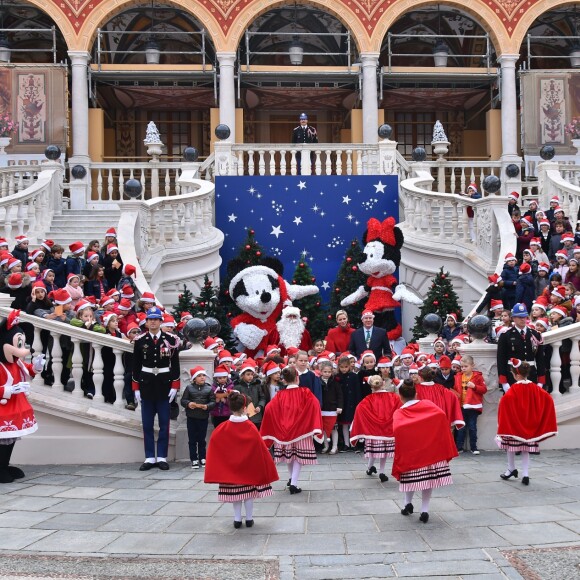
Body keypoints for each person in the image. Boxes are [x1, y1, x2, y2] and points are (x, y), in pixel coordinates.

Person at [204, 391, 279, 529]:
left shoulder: (222, 428)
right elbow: (260, 448)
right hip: (248, 470)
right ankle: (249, 519)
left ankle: (237, 519)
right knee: (249, 495)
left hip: (231, 471)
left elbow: (215, 446)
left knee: (235, 495)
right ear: (245, 408)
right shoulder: (250, 427)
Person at [392, 380, 458, 524]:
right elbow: (441, 415)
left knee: (410, 479)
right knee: (427, 482)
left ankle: (407, 504)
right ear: (416, 394)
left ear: (400, 396)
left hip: (412, 454)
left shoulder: (399, 413)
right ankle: (425, 510)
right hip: (429, 452)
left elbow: (397, 430)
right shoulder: (428, 405)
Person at [132, 306, 181, 471]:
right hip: (146, 385)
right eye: (150, 319)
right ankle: (149, 457)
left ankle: (161, 456)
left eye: (156, 319)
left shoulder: (171, 340)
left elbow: (175, 364)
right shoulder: (140, 341)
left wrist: (175, 385)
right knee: (146, 424)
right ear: (146, 322)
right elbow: (136, 366)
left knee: (164, 424)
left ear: (161, 321)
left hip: (164, 385)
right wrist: (136, 387)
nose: (153, 322)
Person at [260, 365, 323, 495]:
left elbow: (268, 409)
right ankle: (293, 482)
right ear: (297, 378)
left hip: (283, 432)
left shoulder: (279, 395)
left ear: (284, 380)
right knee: (298, 457)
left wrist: (278, 422)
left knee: (289, 456)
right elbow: (315, 404)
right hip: (301, 431)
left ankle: (291, 479)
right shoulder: (305, 392)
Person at [497, 359, 557, 486]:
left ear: (517, 375)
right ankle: (525, 474)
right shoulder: (535, 388)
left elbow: (505, 403)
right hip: (530, 426)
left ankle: (511, 468)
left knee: (510, 447)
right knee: (525, 450)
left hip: (514, 427)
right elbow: (547, 398)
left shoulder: (513, 389)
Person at [350, 375, 401, 483]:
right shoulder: (393, 397)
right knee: (384, 452)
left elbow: (359, 410)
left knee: (374, 451)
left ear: (371, 386)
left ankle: (369, 468)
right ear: (383, 383)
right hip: (388, 431)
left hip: (373, 431)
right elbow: (400, 408)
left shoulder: (367, 400)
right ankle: (381, 471)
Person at [497, 303, 546, 392]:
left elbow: (540, 359)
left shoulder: (535, 334)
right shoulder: (505, 335)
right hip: (513, 375)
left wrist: (541, 380)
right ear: (513, 318)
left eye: (524, 316)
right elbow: (501, 359)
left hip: (531, 374)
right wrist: (503, 382)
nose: (523, 319)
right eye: (519, 317)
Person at [181, 366, 216, 470]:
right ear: (194, 378)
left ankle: (202, 457)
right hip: (191, 417)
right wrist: (189, 403)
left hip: (203, 417)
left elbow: (213, 401)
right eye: (199, 376)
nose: (202, 377)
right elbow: (183, 400)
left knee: (202, 439)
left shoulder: (209, 388)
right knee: (192, 439)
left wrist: (207, 406)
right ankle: (194, 459)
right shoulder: (189, 388)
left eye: (203, 375)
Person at [453, 355, 487, 454]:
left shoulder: (478, 376)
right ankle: (459, 447)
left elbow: (484, 389)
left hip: (473, 406)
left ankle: (474, 447)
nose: (463, 368)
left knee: (472, 427)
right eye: (462, 366)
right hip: (461, 406)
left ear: (472, 366)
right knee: (461, 427)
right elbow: (455, 389)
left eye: (466, 366)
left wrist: (475, 386)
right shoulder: (458, 376)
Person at [318, 360, 343, 454]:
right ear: (321, 371)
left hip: (333, 409)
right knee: (324, 428)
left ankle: (335, 446)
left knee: (333, 428)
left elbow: (340, 395)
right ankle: (326, 445)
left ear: (332, 372)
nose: (327, 374)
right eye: (325, 372)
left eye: (329, 372)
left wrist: (340, 406)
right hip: (322, 409)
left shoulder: (335, 382)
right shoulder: (318, 382)